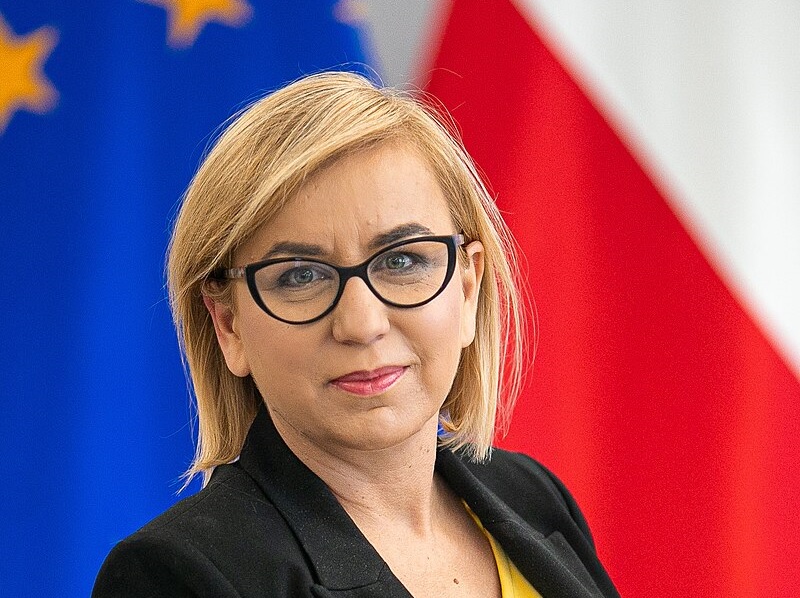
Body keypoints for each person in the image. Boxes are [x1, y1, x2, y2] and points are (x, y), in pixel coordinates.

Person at [93, 71, 619, 598]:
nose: (363, 325)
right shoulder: (175, 576)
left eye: (402, 260)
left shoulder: (535, 498)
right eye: (301, 276)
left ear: (466, 289)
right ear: (228, 325)